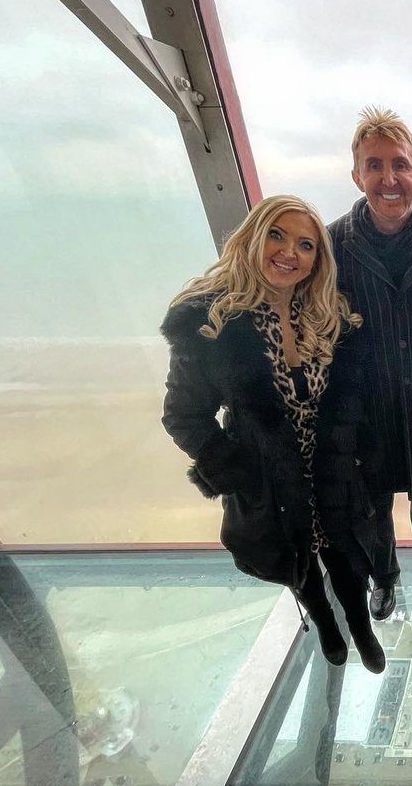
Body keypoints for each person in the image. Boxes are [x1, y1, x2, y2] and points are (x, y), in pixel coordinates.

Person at [160, 194, 386, 673]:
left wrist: (360, 452)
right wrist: (237, 471)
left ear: (317, 260)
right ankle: (324, 623)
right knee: (298, 563)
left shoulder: (330, 315)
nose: (289, 252)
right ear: (253, 238)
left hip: (332, 468)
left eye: (306, 245)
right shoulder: (213, 324)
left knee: (345, 556)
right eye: (277, 236)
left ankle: (360, 626)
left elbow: (356, 400)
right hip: (269, 478)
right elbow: (183, 415)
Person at [328, 107, 412, 621]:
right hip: (363, 408)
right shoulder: (331, 246)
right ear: (356, 175)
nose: (389, 178)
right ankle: (384, 577)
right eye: (375, 165)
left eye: (400, 165)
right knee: (372, 503)